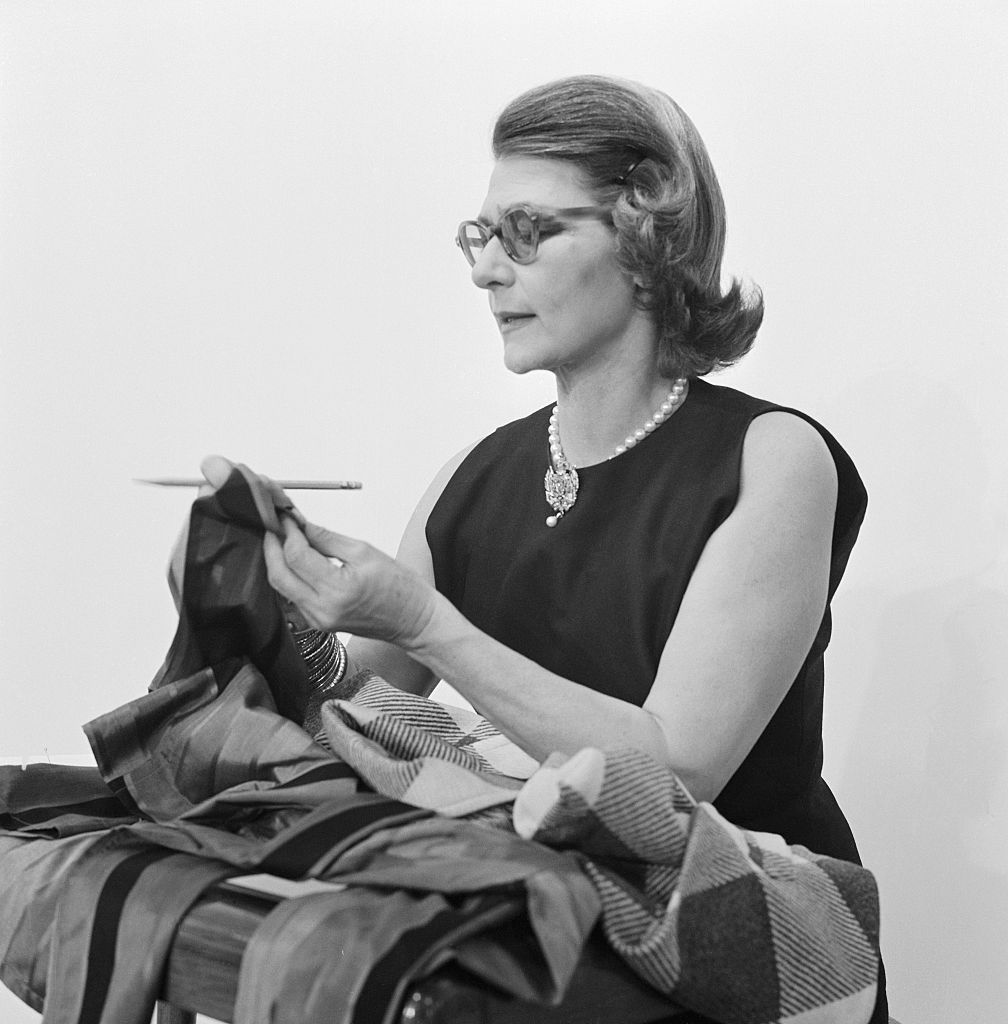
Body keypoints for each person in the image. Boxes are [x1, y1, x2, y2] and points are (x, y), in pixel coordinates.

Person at [205, 74, 885, 1015]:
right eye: (479, 238)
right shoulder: (473, 479)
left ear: (649, 230)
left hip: (745, 946)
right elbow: (351, 719)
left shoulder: (770, 458)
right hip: (557, 933)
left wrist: (428, 624)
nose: (488, 271)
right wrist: (263, 589)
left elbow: (673, 773)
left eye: (526, 232)